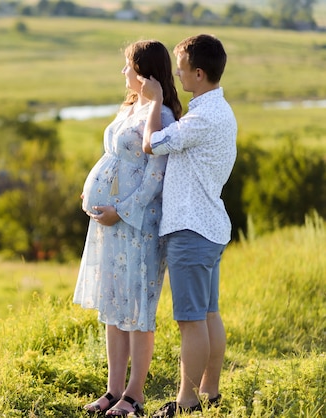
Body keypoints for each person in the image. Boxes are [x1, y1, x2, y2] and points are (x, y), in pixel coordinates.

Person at [73, 40, 182, 417]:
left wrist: (120, 211)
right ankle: (112, 389)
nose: (123, 73)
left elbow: (156, 178)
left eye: (127, 66)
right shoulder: (130, 107)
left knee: (137, 310)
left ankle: (134, 396)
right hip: (112, 224)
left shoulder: (162, 116)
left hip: (138, 225)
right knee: (114, 306)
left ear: (145, 71)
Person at [139, 34, 237, 418]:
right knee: (209, 314)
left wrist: (156, 102)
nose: (176, 73)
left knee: (190, 321)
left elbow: (152, 144)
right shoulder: (219, 110)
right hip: (208, 227)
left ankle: (187, 402)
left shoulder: (202, 118)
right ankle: (209, 393)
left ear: (198, 73)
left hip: (191, 230)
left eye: (181, 69)